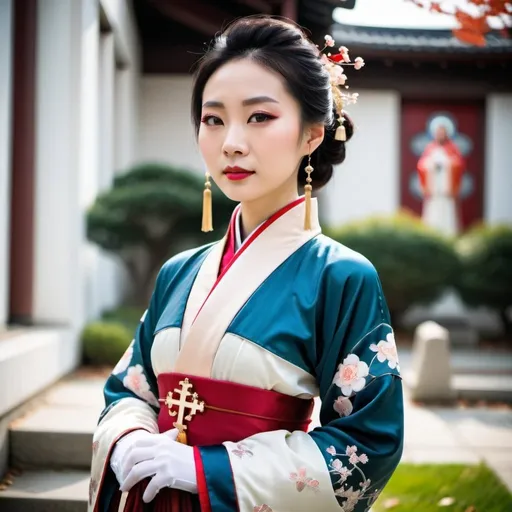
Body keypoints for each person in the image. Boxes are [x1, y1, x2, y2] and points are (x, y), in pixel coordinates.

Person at [89, 16, 403, 512]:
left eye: (259, 117)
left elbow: (368, 443)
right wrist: (128, 436)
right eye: (213, 119)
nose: (231, 141)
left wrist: (208, 469)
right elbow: (128, 389)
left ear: (312, 134)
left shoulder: (341, 277)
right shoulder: (179, 272)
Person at [417, 123, 465, 236]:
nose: (440, 135)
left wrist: (446, 163)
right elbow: (421, 165)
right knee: (431, 215)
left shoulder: (452, 148)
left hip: (446, 190)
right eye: (438, 133)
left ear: (446, 134)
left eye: (442, 133)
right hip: (433, 190)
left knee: (447, 214)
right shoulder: (430, 148)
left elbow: (459, 164)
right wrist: (431, 164)